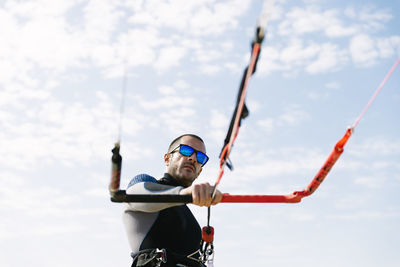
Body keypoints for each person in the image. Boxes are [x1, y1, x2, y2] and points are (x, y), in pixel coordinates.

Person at [123, 134, 223, 267]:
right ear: (167, 158)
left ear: (199, 172)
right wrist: (184, 193)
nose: (193, 158)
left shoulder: (191, 223)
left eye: (200, 157)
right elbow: (133, 196)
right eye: (186, 150)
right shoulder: (145, 184)